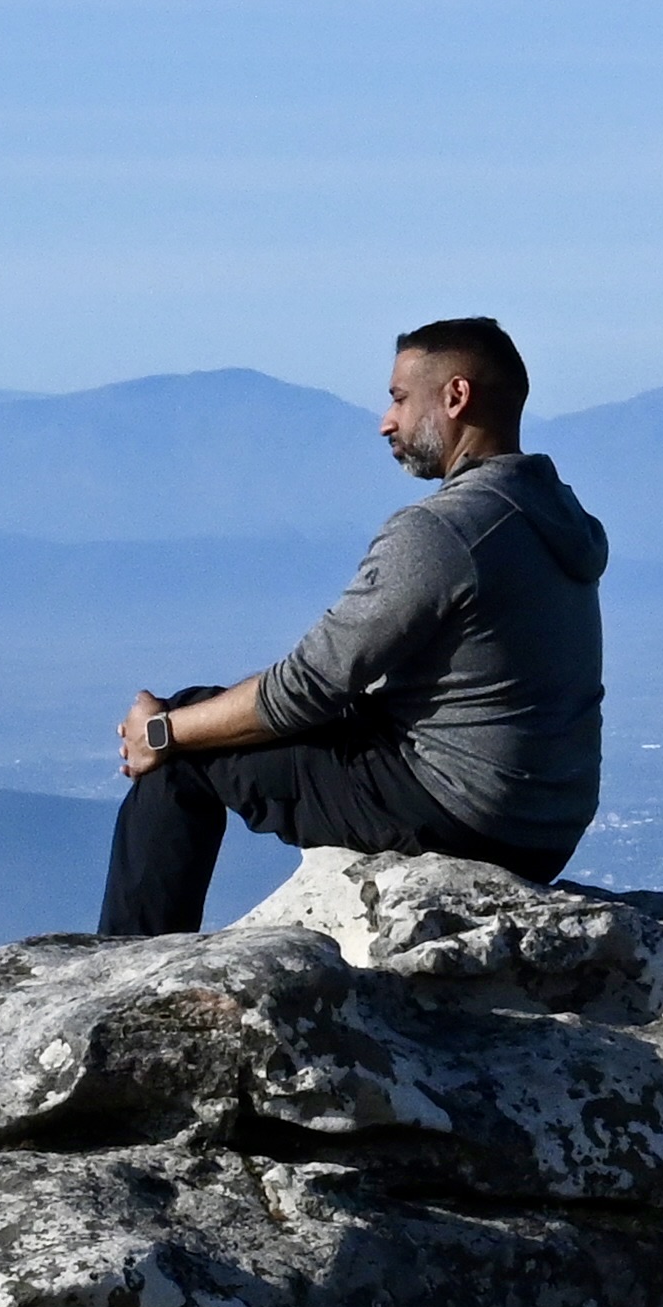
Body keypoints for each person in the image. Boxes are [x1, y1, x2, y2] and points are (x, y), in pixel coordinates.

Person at [104, 316, 610, 936]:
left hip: (461, 814)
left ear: (455, 397)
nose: (385, 421)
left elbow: (308, 687)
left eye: (399, 398)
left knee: (188, 752)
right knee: (204, 720)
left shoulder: (447, 530)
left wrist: (162, 731)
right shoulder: (548, 513)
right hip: (546, 825)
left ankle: (126, 969)